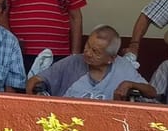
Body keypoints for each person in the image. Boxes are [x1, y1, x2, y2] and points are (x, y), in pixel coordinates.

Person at [25, 25, 155, 101]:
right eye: (87, 45)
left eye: (95, 51)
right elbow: (36, 80)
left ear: (111, 58)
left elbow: (152, 92)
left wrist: (131, 84)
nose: (87, 53)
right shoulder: (72, 62)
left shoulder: (123, 67)